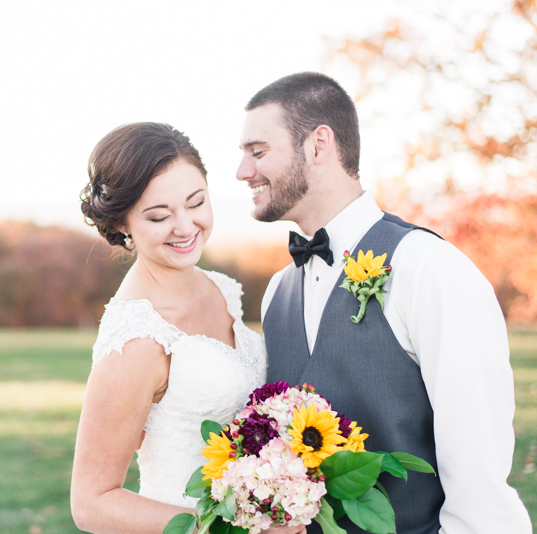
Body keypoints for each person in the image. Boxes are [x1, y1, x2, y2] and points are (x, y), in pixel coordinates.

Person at [237, 72, 532, 533]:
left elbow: (477, 474)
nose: (243, 172)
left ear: (318, 146)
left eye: (257, 152)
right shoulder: (278, 289)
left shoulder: (428, 268)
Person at [71, 123, 305, 534]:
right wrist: (236, 529)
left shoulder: (221, 289)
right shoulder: (137, 338)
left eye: (196, 202)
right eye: (159, 216)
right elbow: (91, 503)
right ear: (123, 223)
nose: (185, 227)